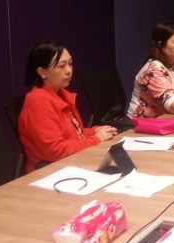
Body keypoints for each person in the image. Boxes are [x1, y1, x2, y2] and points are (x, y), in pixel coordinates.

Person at [18, 41, 117, 173]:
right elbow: (56, 151)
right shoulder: (37, 102)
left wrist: (95, 131)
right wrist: (96, 139)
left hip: (72, 164)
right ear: (42, 72)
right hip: (49, 173)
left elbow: (75, 135)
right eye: (61, 66)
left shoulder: (61, 95)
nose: (69, 70)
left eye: (70, 64)